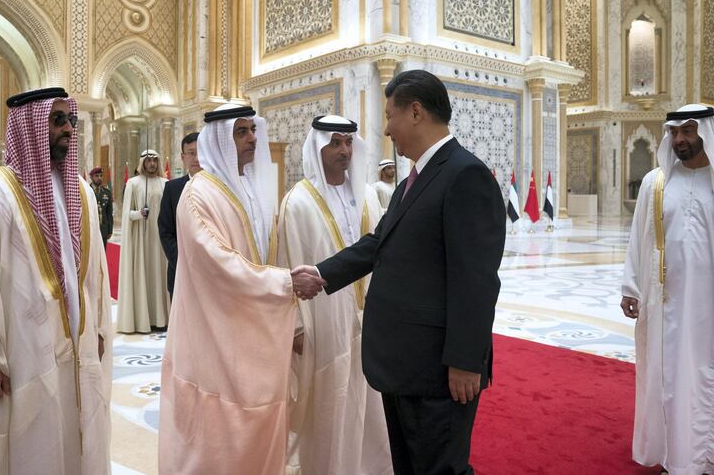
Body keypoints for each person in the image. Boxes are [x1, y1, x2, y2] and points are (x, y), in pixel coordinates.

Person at [294, 70, 506, 475]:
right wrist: (322, 273)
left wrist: (465, 362)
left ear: (415, 112)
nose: (387, 129)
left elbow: (476, 279)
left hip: (438, 368)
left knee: (439, 467)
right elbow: (380, 242)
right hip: (404, 362)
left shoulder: (464, 174)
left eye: (390, 116)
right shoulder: (420, 176)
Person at [158, 103, 325, 475]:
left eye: (253, 130)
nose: (252, 139)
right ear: (219, 140)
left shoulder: (255, 190)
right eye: (241, 132)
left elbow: (272, 253)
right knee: (217, 431)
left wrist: (294, 321)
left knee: (260, 425)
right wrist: (284, 283)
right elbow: (219, 264)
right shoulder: (198, 196)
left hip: (259, 331)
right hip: (214, 336)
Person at [0, 87, 113, 474]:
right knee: (32, 435)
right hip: (22, 347)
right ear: (32, 126)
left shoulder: (81, 191)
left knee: (77, 427)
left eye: (71, 121)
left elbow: (94, 272)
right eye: (57, 120)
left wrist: (97, 327)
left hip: (75, 342)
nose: (67, 130)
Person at [277, 115, 391, 474]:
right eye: (335, 142)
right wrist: (295, 325)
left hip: (370, 317)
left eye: (348, 143)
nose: (344, 150)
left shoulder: (369, 196)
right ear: (318, 146)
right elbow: (287, 263)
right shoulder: (298, 202)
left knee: (373, 401)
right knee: (331, 400)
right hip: (323, 322)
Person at [621, 103, 714, 475]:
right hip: (666, 302)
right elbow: (638, 239)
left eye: (688, 131)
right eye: (674, 132)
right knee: (670, 374)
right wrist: (631, 287)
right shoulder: (655, 183)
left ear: (705, 133)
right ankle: (677, 455)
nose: (680, 140)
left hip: (707, 303)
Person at [116, 149, 169, 333]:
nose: (152, 164)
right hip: (141, 241)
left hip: (160, 242)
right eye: (149, 161)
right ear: (143, 163)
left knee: (159, 274)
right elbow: (126, 215)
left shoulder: (165, 183)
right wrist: (139, 214)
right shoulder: (133, 184)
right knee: (143, 274)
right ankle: (141, 319)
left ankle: (161, 318)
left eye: (155, 161)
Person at [158, 132, 201, 298]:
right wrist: (183, 262)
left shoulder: (218, 187)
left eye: (200, 152)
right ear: (183, 157)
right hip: (180, 271)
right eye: (191, 153)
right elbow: (165, 231)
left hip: (212, 273)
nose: (196, 158)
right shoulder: (172, 188)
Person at [89, 166, 113, 248]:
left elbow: (109, 212)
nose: (99, 178)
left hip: (103, 229)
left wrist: (110, 230)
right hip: (91, 228)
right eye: (97, 176)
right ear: (91, 177)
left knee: (102, 253)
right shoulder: (87, 191)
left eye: (101, 175)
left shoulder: (107, 193)